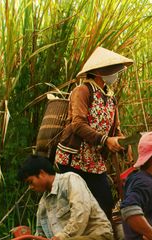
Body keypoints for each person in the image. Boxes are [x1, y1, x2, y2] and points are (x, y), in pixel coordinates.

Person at [55, 47, 133, 220]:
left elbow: (115, 128)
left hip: (95, 162)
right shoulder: (82, 91)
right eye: (113, 69)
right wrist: (105, 140)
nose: (116, 74)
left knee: (103, 205)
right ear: (99, 71)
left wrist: (123, 142)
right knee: (77, 208)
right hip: (74, 161)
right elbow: (77, 124)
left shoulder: (110, 97)